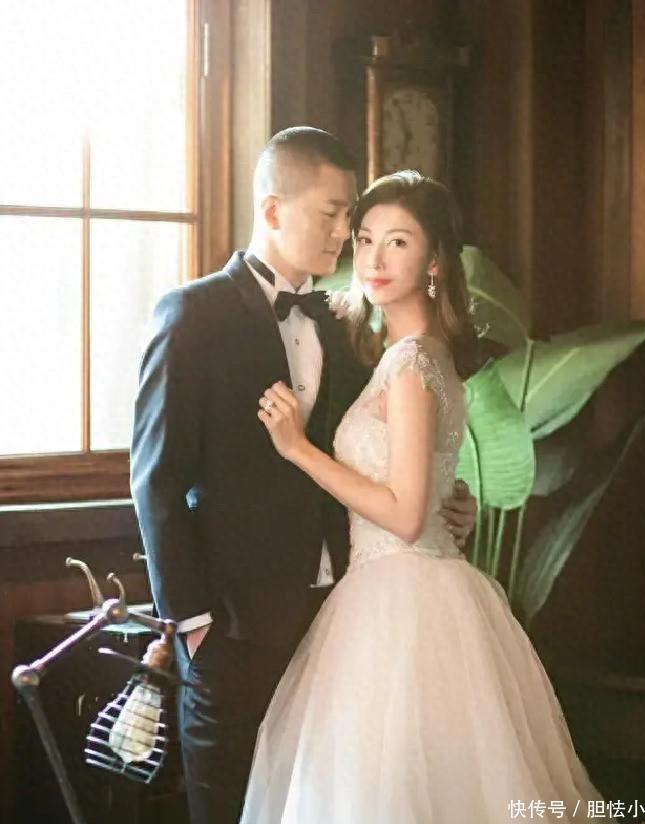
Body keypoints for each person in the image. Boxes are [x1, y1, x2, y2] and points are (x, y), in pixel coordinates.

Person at [130, 128, 476, 824]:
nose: (345, 235)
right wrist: (195, 626)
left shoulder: (346, 323)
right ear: (273, 209)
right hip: (233, 632)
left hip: (340, 624)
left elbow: (385, 454)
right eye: (334, 214)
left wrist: (448, 498)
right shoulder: (192, 315)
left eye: (353, 218)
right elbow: (154, 482)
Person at [240, 170, 606, 824]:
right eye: (366, 239)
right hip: (412, 591)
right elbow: (426, 487)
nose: (374, 259)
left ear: (435, 260)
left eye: (399, 242)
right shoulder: (421, 355)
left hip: (399, 601)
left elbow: (406, 516)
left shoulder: (411, 364)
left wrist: (299, 449)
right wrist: (454, 497)